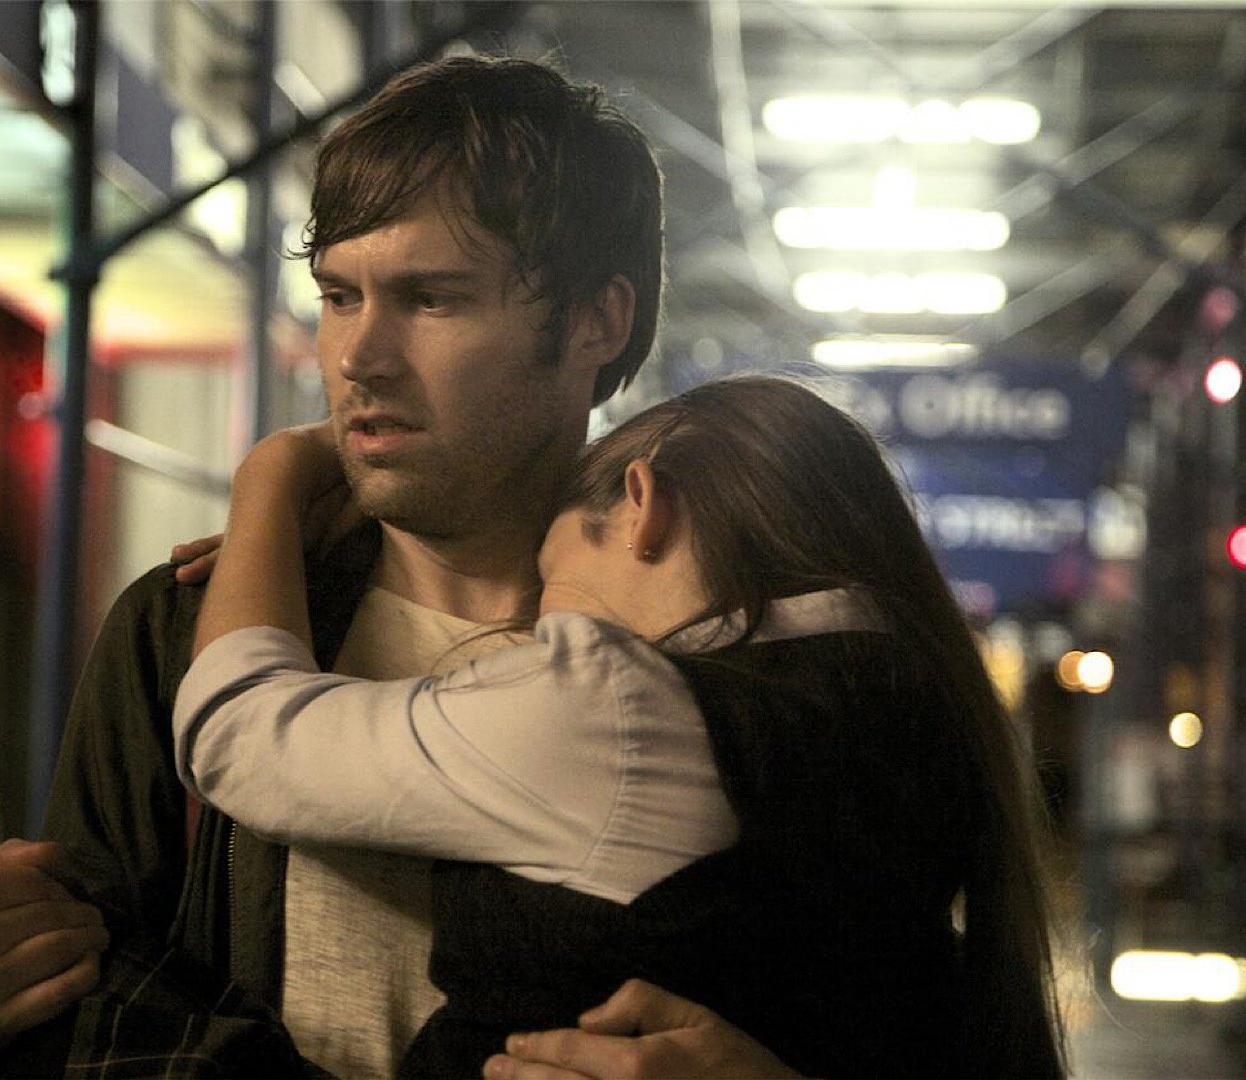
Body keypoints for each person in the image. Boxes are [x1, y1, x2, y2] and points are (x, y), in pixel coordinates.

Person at [0, 53, 796, 1079]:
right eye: (338, 296)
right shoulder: (182, 632)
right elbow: (70, 1010)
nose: (359, 357)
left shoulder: (722, 664)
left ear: (598, 319)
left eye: (432, 299)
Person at [173, 376, 1068, 1078]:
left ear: (642, 504)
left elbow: (238, 730)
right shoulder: (927, 722)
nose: (532, 632)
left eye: (551, 584)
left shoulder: (623, 707)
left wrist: (274, 480)